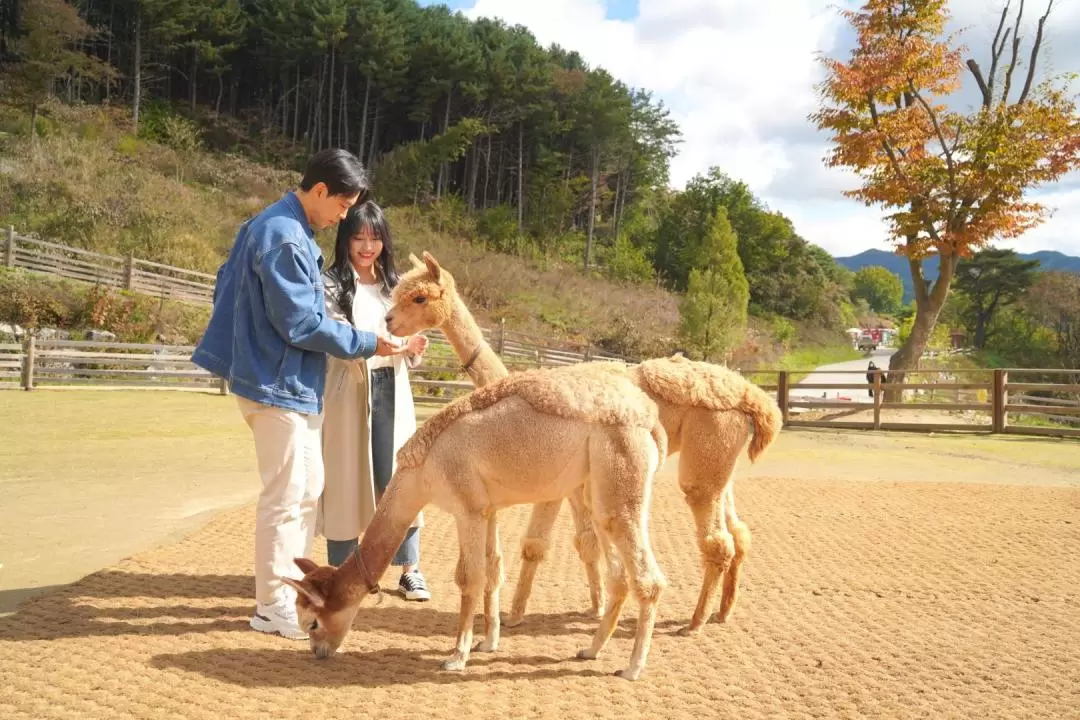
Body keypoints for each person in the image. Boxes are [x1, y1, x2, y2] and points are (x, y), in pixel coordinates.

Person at [190, 148, 406, 641]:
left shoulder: (276, 228)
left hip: (286, 381)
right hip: (277, 382)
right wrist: (370, 341)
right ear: (320, 190)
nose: (345, 216)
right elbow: (302, 323)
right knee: (287, 499)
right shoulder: (283, 236)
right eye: (343, 205)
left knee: (305, 492)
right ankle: (272, 605)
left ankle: (290, 596)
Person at [318, 201, 432, 601]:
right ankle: (345, 571)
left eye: (374, 238)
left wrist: (414, 348)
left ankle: (409, 568)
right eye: (358, 237)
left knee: (400, 479)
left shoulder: (396, 285)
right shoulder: (330, 284)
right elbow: (336, 338)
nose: (367, 247)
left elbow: (409, 335)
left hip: (393, 388)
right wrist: (398, 346)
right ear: (345, 239)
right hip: (349, 390)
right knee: (346, 477)